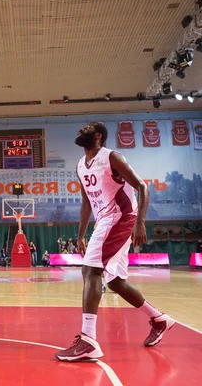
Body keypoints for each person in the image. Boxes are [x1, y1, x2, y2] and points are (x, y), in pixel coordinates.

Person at [56, 122, 174, 362]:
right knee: (115, 282)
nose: (80, 129)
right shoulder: (81, 165)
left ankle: (88, 340)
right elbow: (87, 203)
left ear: (98, 136)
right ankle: (159, 319)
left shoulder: (111, 157)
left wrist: (140, 222)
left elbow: (142, 187)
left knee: (90, 270)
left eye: (86, 128)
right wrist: (80, 235)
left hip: (120, 218)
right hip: (105, 221)